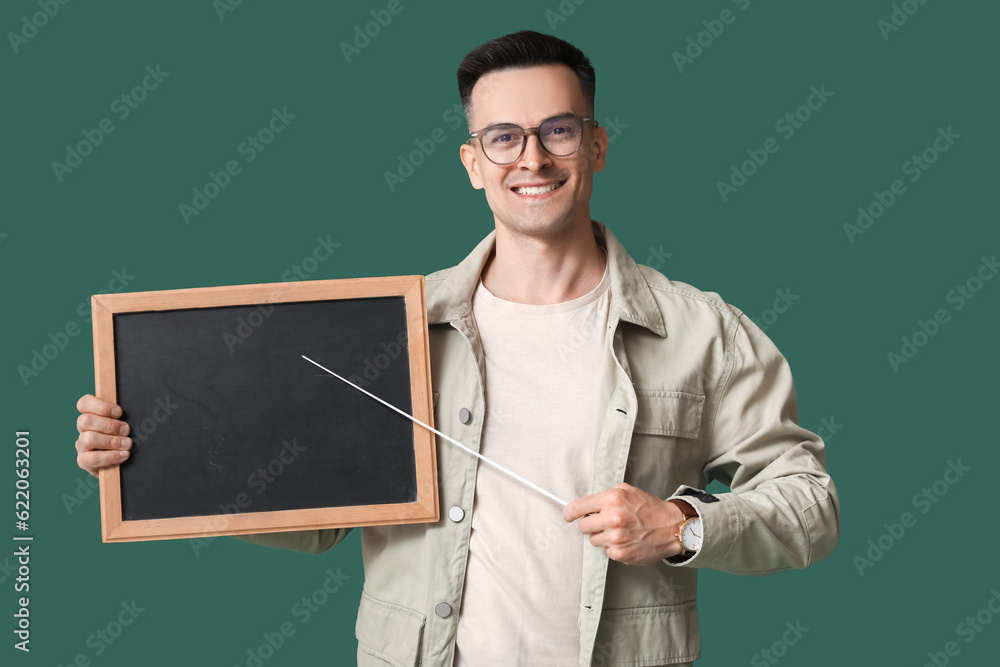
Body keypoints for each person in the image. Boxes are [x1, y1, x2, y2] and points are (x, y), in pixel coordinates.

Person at [75, 30, 840, 667]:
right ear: (474, 163)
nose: (531, 159)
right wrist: (157, 450)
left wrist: (679, 524)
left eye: (559, 131)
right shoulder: (386, 330)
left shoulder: (701, 329)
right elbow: (314, 519)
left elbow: (811, 506)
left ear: (598, 146)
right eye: (503, 137)